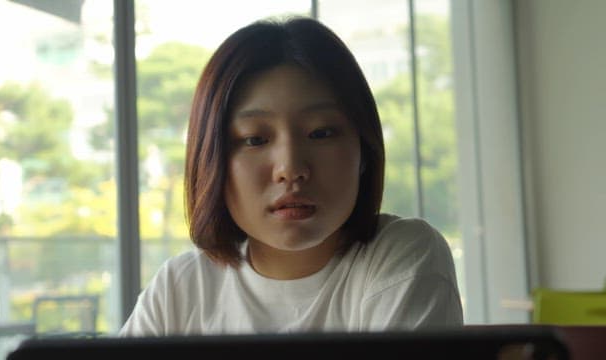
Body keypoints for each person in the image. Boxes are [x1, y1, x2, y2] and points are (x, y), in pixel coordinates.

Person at [119, 17, 463, 336]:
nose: (290, 168)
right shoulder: (180, 287)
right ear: (212, 161)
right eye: (255, 139)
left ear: (364, 149)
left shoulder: (400, 254)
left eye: (321, 133)